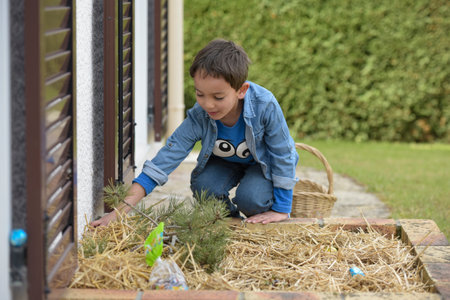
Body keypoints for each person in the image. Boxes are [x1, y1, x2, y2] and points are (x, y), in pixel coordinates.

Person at [91, 39, 298, 227]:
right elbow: (164, 160)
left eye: (218, 97)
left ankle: (258, 209)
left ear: (241, 90)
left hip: (260, 166)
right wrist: (119, 212)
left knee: (252, 199)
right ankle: (230, 223)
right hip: (225, 163)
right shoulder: (200, 115)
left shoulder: (265, 105)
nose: (208, 104)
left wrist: (282, 209)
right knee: (203, 185)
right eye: (200, 94)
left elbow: (283, 153)